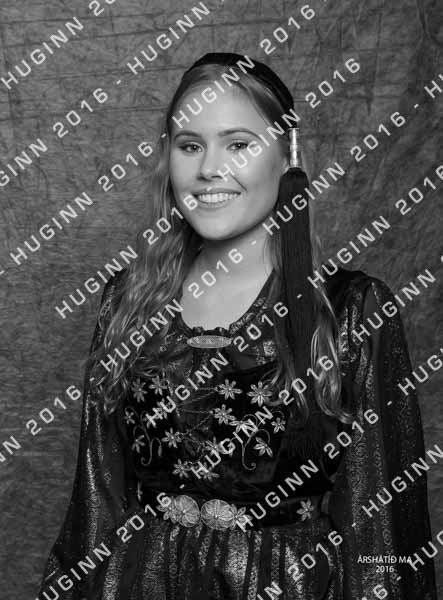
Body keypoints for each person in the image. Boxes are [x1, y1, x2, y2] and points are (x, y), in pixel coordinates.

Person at [37, 53, 437, 600]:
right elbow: (96, 504)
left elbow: (381, 529)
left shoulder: (351, 310)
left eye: (239, 144)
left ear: (288, 153)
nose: (208, 169)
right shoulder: (128, 301)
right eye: (190, 145)